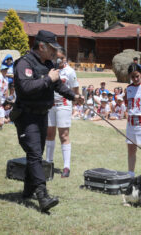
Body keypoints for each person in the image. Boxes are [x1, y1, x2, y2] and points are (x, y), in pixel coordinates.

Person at [12, 30, 83, 212]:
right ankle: (42, 195)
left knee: (35, 153)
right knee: (35, 154)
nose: (55, 53)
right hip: (27, 116)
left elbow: (57, 84)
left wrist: (74, 96)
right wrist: (46, 79)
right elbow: (25, 88)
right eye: (52, 48)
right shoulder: (24, 63)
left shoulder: (49, 63)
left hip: (43, 114)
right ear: (41, 46)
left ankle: (28, 190)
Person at [45, 49, 79, 178]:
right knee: (49, 133)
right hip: (50, 105)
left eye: (61, 57)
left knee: (64, 135)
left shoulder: (70, 72)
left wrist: (74, 106)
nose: (59, 60)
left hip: (64, 105)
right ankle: (48, 163)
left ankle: (66, 167)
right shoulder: (50, 68)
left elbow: (75, 89)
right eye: (56, 57)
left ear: (65, 58)